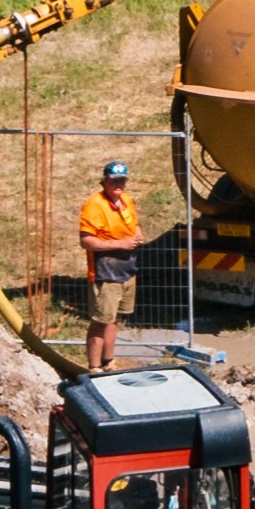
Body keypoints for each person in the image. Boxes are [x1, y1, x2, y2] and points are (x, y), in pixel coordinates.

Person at [75, 159, 141, 372]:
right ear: (104, 182)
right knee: (100, 321)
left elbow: (133, 224)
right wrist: (120, 244)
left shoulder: (126, 200)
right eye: (113, 181)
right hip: (106, 273)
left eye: (122, 181)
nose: (118, 185)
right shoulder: (95, 205)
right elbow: (86, 240)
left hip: (127, 270)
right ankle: (94, 366)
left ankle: (108, 361)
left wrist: (137, 234)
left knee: (114, 319)